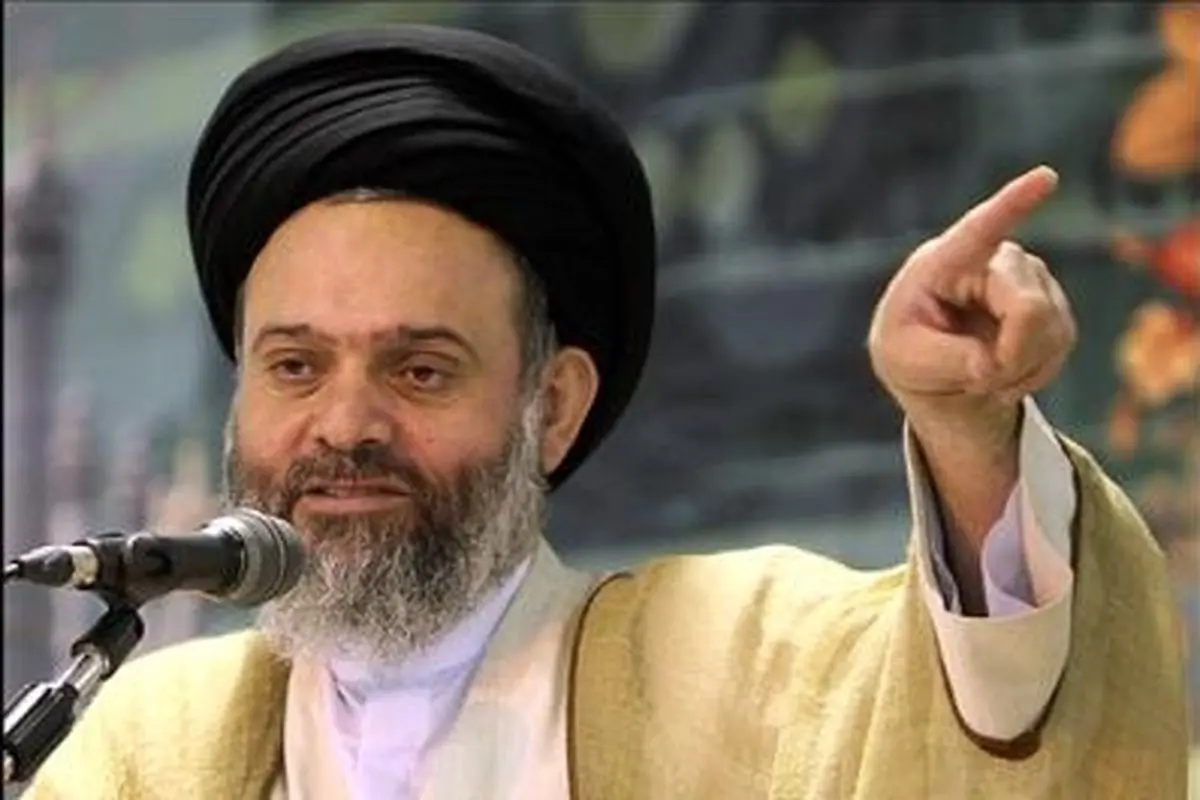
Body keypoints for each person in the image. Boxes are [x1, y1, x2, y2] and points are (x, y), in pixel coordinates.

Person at [23, 25, 1185, 800]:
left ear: (553, 404)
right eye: (294, 365)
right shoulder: (145, 748)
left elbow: (984, 727)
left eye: (419, 370)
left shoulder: (741, 663)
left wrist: (967, 431)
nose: (344, 423)